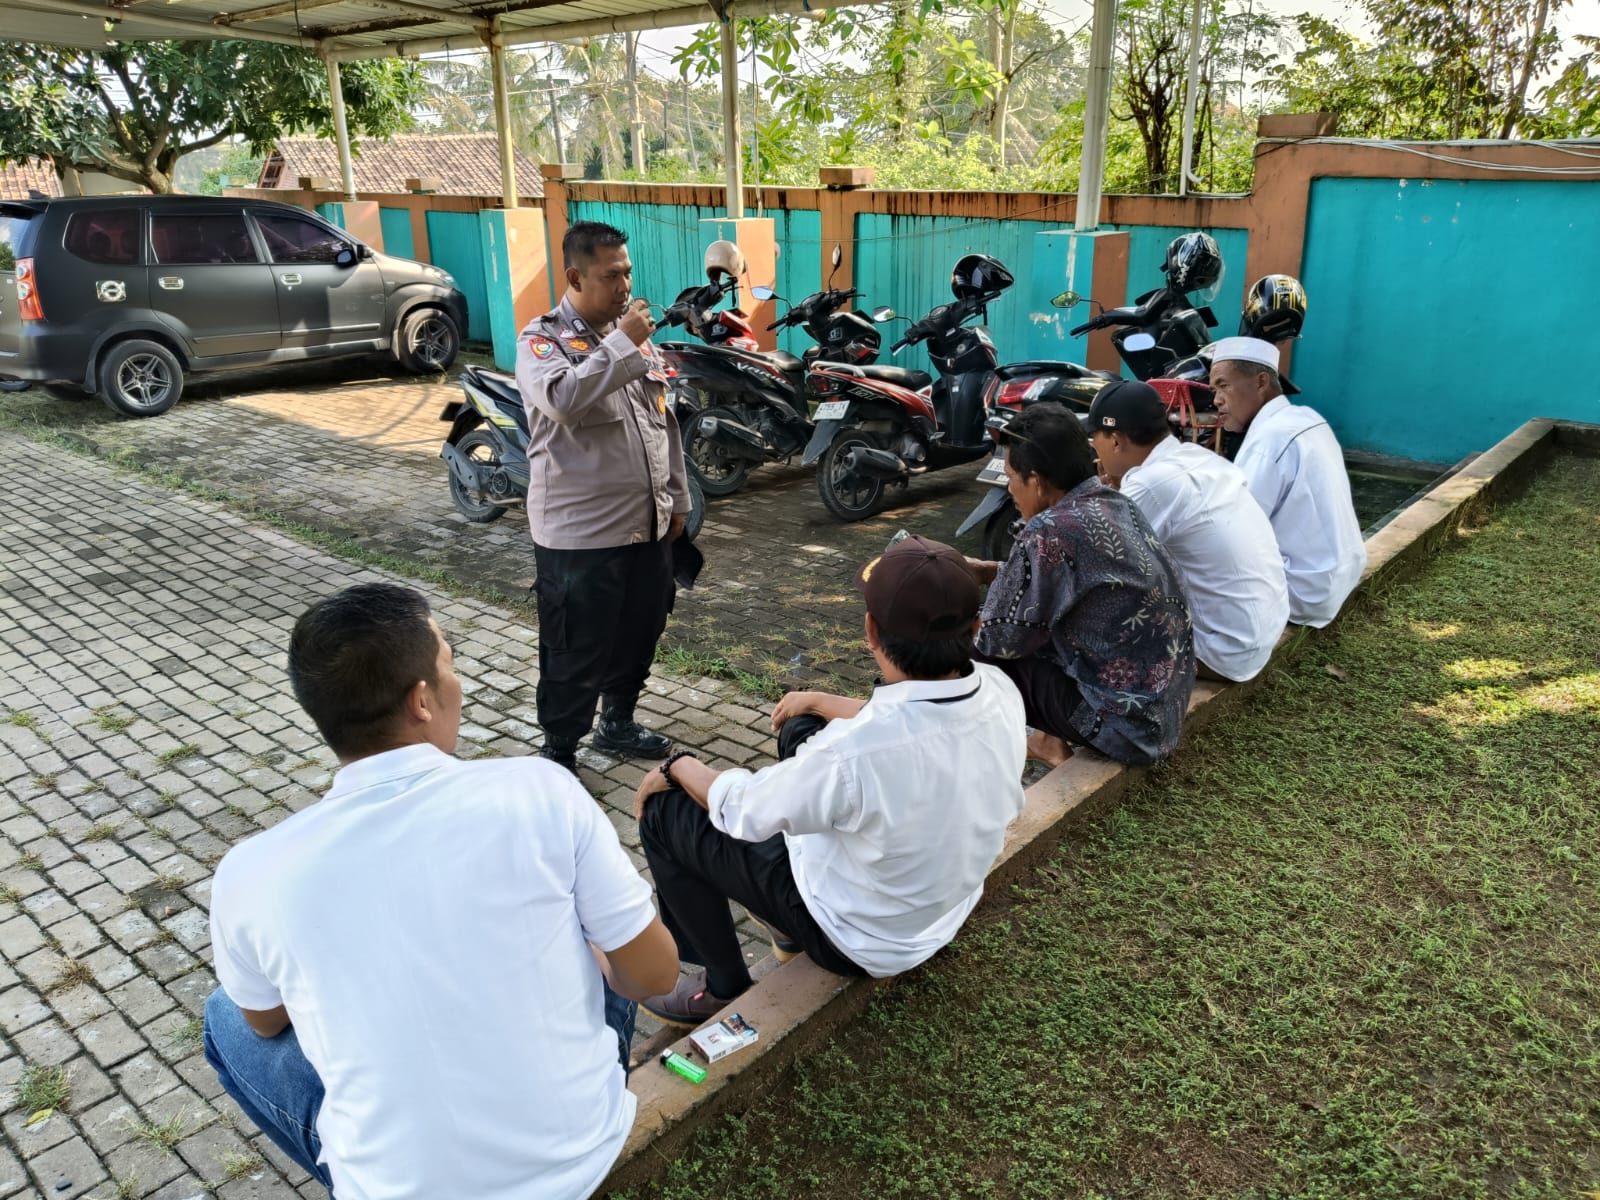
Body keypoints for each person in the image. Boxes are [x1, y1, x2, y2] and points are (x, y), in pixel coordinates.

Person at [203, 583, 679, 1200]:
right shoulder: (540, 791)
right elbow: (654, 975)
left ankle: (371, 1159)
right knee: (605, 933)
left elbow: (265, 1022)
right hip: (585, 1147)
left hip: (403, 1189)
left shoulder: (251, 872)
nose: (458, 685)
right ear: (421, 700)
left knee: (225, 1012)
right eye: (450, 666)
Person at [628, 536, 1027, 1026]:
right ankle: (785, 929)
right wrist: (815, 700)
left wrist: (676, 766)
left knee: (666, 812)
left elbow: (743, 809)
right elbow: (912, 723)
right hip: (940, 911)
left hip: (856, 940)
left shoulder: (850, 755)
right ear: (976, 627)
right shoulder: (1000, 689)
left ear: (870, 631)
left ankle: (721, 985)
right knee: (801, 726)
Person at [516, 220, 692, 773]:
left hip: (646, 524)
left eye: (628, 273)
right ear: (575, 277)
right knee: (574, 647)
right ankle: (559, 752)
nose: (624, 286)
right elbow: (564, 400)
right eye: (611, 275)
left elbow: (663, 423)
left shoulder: (631, 338)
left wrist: (678, 498)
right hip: (580, 536)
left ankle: (617, 722)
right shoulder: (541, 341)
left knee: (640, 630)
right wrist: (623, 343)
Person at [970, 402, 1195, 769]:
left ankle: (966, 749)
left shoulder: (1048, 531)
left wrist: (954, 603)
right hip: (1162, 716)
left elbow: (998, 640)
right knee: (1041, 627)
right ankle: (1047, 740)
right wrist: (989, 570)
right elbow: (1064, 583)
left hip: (1125, 731)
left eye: (1011, 476)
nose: (1009, 487)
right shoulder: (1116, 503)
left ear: (1036, 481)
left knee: (970, 649)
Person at [1085, 379, 1289, 682]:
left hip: (1220, 652)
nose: (1094, 449)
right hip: (1259, 634)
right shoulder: (1196, 457)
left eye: (1095, 439)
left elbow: (1094, 565)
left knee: (1084, 620)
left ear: (1116, 441)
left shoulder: (1151, 483)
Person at [1208, 336, 1367, 628]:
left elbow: (1234, 532)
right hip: (1336, 578)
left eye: (1223, 385)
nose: (1216, 400)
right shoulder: (1307, 418)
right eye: (1213, 390)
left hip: (1301, 592)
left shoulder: (1269, 440)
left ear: (1260, 382)